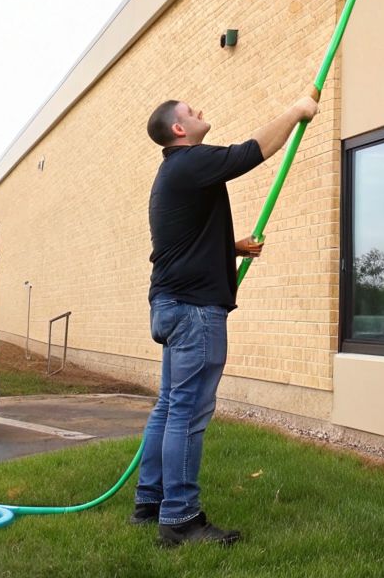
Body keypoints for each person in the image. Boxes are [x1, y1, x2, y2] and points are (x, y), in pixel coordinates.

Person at [133, 94, 318, 547]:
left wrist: (231, 247)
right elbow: (251, 152)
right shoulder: (190, 161)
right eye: (191, 112)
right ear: (179, 130)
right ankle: (180, 519)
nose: (200, 113)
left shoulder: (175, 173)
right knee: (187, 414)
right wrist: (296, 111)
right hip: (194, 311)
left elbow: (183, 240)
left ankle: (150, 502)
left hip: (172, 305)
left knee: (169, 407)